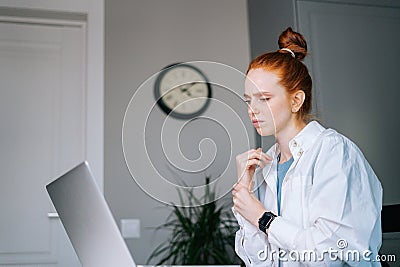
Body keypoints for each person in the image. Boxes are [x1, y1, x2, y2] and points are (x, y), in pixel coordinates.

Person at [232, 27, 383, 266]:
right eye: (248, 100)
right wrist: (246, 195)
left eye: (265, 98)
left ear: (296, 100)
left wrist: (263, 218)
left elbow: (333, 255)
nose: (253, 109)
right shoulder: (265, 167)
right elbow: (259, 260)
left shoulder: (334, 153)